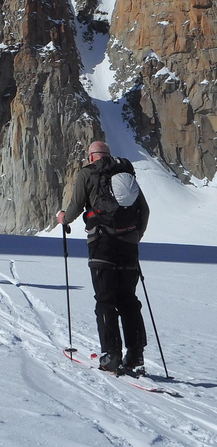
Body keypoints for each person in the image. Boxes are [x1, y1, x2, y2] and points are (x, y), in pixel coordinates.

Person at [57, 141, 150, 372]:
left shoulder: (88, 173)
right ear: (108, 154)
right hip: (129, 245)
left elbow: (76, 206)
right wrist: (135, 237)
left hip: (102, 244)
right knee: (128, 299)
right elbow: (144, 210)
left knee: (106, 299)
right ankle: (136, 354)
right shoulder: (125, 173)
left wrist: (63, 219)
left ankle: (111, 354)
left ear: (91, 157)